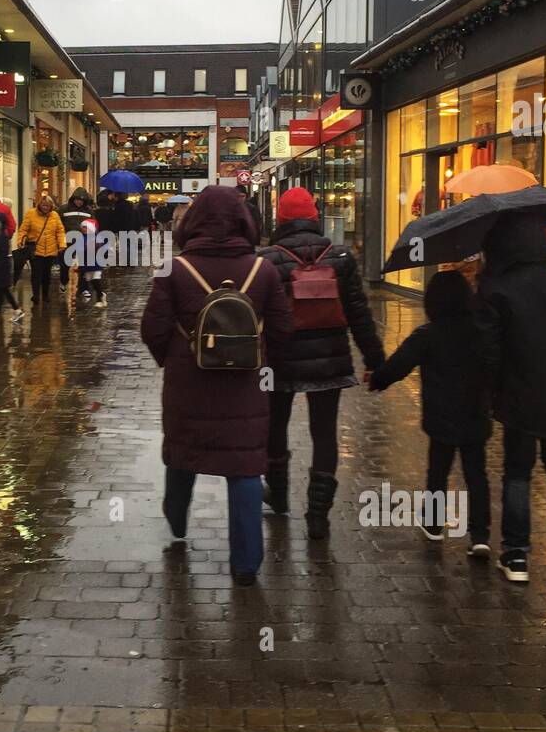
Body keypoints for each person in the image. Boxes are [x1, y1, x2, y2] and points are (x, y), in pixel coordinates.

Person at [141, 185, 293, 586]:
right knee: (243, 467)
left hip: (187, 385)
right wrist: (259, 361)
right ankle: (246, 565)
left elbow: (152, 329)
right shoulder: (263, 270)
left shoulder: (174, 269)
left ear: (193, 223)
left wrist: (175, 361)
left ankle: (177, 521)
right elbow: (282, 329)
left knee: (181, 454)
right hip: (244, 388)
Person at [259, 187, 384, 538]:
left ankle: (279, 495)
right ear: (314, 218)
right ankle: (318, 515)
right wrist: (376, 360)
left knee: (275, 425)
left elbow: (258, 315)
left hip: (280, 359)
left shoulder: (267, 259)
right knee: (324, 433)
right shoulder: (341, 257)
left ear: (281, 220)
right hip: (330, 359)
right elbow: (359, 314)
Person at [476, 211, 546, 583]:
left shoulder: (499, 286)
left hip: (520, 390)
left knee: (518, 472)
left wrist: (489, 390)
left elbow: (489, 348)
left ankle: (517, 554)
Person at [368, 270, 491, 554]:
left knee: (438, 471)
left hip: (441, 417)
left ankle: (434, 525)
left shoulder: (428, 334)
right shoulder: (481, 332)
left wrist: (378, 379)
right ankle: (481, 535)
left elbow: (400, 364)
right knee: (477, 474)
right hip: (475, 415)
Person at [18, 194, 66, 307]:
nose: (46, 208)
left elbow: (60, 231)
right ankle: (36, 295)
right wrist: (21, 241)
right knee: (36, 273)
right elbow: (23, 229)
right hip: (35, 249)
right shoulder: (31, 214)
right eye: (44, 205)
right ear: (40, 204)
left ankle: (45, 294)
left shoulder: (54, 215)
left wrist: (62, 244)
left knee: (46, 274)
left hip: (50, 249)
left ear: (51, 206)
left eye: (48, 206)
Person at [59, 187, 94, 296]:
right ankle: (64, 281)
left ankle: (84, 288)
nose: (79, 202)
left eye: (81, 200)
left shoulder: (89, 211)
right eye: (77, 199)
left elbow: (93, 226)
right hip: (67, 241)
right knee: (65, 264)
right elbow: (58, 224)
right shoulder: (64, 209)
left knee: (84, 266)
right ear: (73, 199)